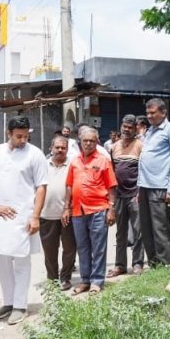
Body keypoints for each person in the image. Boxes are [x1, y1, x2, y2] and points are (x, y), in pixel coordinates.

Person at [0, 114, 48, 325]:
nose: (23, 140)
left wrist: (35, 216)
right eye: (19, 136)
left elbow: (42, 187)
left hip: (22, 216)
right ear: (8, 134)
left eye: (26, 136)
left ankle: (20, 305)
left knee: (21, 260)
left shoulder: (35, 155)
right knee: (0, 259)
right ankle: (8, 302)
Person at [63, 125, 117, 295]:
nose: (88, 144)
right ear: (80, 142)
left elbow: (111, 186)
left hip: (98, 210)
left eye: (91, 141)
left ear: (97, 142)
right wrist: (66, 207)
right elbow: (69, 186)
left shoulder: (103, 160)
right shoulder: (75, 161)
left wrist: (111, 208)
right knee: (83, 247)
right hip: (78, 212)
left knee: (98, 247)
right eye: (85, 141)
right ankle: (85, 280)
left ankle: (97, 281)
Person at [137, 98, 170, 268]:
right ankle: (154, 264)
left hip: (161, 188)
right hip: (145, 187)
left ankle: (166, 265)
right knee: (147, 228)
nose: (149, 116)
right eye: (147, 113)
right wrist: (138, 188)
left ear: (163, 113)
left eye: (152, 112)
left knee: (160, 229)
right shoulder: (150, 131)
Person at [108, 114, 145, 278]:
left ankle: (137, 263)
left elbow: (145, 171)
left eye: (131, 127)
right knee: (120, 233)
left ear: (135, 129)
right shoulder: (113, 147)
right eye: (125, 127)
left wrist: (140, 193)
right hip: (119, 196)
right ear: (121, 126)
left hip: (135, 195)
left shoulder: (140, 146)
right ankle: (120, 265)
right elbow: (110, 173)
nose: (127, 130)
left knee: (137, 232)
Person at [40, 134, 77, 290]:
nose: (60, 150)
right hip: (46, 215)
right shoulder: (42, 165)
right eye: (57, 147)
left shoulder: (73, 165)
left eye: (63, 148)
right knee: (49, 251)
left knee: (69, 249)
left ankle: (65, 278)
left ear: (67, 149)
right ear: (51, 148)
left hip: (68, 215)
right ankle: (52, 279)